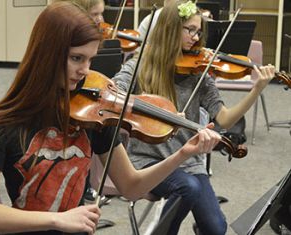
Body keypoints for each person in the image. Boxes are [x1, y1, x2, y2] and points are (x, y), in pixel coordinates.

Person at [0, 2, 221, 234]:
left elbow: (131, 187)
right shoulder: (4, 122)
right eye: (77, 58)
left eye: (90, 60)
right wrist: (56, 220)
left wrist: (183, 154)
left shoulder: (92, 116)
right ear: (47, 53)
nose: (86, 71)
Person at [112, 0, 276, 234]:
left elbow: (225, 119)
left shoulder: (199, 72)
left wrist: (256, 89)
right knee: (186, 187)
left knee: (216, 228)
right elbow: (115, 94)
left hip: (188, 162)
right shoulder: (140, 65)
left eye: (199, 31)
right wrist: (159, 108)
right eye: (190, 29)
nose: (196, 37)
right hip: (148, 160)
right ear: (170, 29)